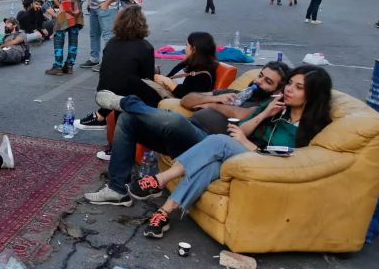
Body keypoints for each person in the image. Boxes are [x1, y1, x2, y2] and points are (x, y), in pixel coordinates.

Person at [127, 66, 333, 238]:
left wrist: (247, 144)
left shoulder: (312, 127)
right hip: (245, 155)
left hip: (269, 164)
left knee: (219, 141)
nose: (289, 90)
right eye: (289, 84)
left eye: (298, 88)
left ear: (312, 94)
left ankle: (160, 179)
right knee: (211, 166)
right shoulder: (278, 107)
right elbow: (241, 131)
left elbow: (292, 160)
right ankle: (164, 213)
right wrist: (264, 115)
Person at [84, 62, 291, 205]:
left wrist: (212, 103)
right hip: (184, 134)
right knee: (129, 120)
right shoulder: (236, 94)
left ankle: (126, 102)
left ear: (278, 91)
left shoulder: (264, 107)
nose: (259, 82)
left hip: (206, 145)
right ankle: (117, 190)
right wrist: (215, 98)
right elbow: (187, 100)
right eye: (260, 76)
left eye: (267, 82)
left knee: (173, 119)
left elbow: (237, 113)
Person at [76, 6, 157, 130]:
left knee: (124, 81)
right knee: (154, 92)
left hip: (104, 92)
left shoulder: (112, 42)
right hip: (126, 94)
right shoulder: (145, 47)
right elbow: (147, 79)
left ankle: (101, 115)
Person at [46, 0, 90, 75]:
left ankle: (58, 67)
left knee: (59, 36)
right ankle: (69, 66)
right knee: (73, 37)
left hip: (65, 6)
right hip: (77, 6)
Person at [151, 32, 219, 98]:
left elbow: (188, 97)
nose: (185, 48)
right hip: (164, 92)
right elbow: (170, 77)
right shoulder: (188, 63)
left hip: (172, 101)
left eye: (187, 45)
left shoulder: (203, 75)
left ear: (194, 49)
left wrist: (168, 82)